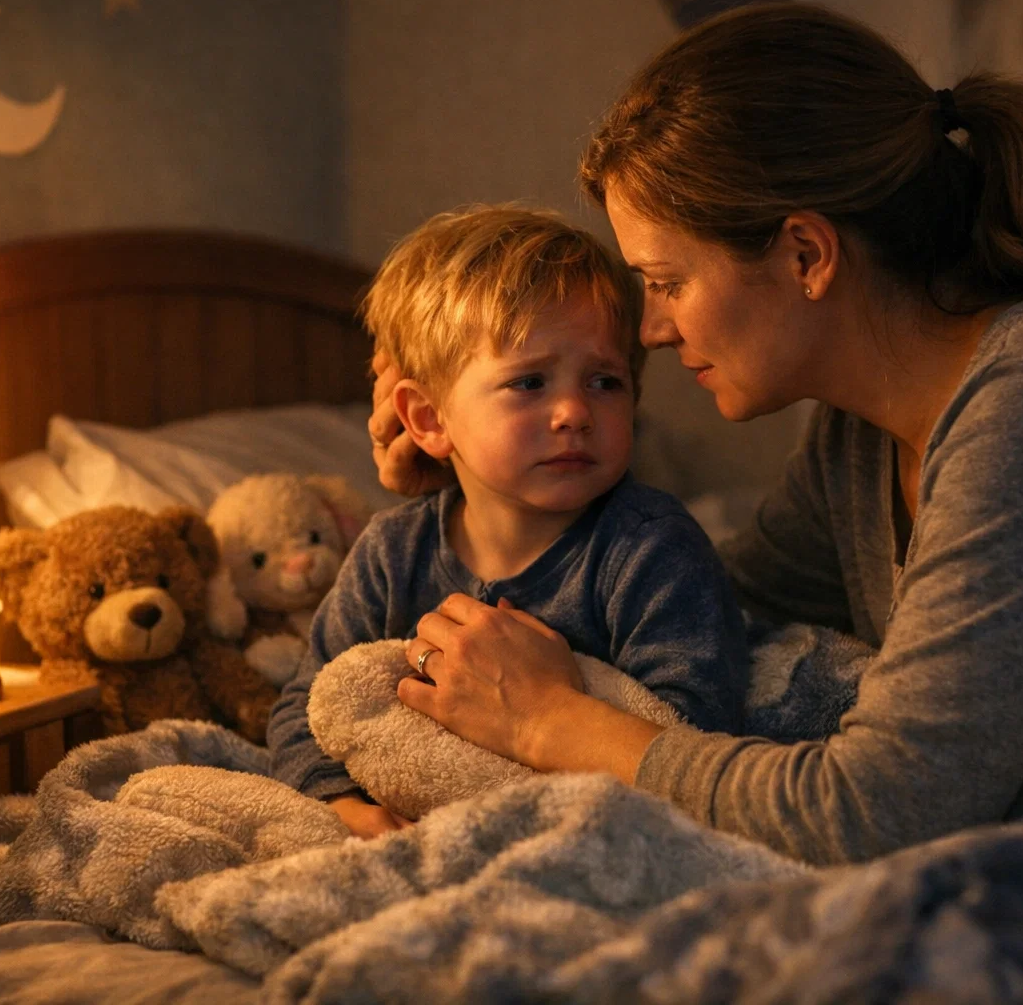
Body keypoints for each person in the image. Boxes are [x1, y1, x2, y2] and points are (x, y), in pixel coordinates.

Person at [369, 3, 1023, 863]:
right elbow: (699, 610)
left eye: (667, 281)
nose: (652, 329)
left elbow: (878, 813)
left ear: (806, 254)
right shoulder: (858, 435)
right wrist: (484, 498)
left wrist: (551, 723)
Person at [267, 205, 750, 838]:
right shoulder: (392, 553)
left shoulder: (650, 548)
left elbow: (691, 734)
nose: (574, 410)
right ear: (430, 419)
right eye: (529, 383)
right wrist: (345, 808)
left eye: (605, 380)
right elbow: (308, 707)